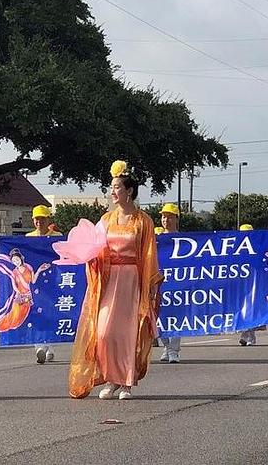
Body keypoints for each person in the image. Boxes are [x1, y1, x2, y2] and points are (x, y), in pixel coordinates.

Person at [69, 160, 162, 400]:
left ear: (129, 191)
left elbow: (149, 254)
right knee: (104, 331)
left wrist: (150, 285)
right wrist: (90, 259)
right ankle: (110, 378)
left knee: (127, 332)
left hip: (132, 280)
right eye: (111, 187)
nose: (112, 191)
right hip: (109, 280)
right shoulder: (106, 220)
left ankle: (126, 382)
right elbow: (97, 248)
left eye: (117, 187)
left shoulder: (143, 221)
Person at [26, 204, 60, 364]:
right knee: (37, 313)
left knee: (51, 314)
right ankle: (39, 347)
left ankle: (50, 347)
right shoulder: (28, 237)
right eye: (36, 219)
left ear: (48, 220)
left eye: (42, 219)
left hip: (53, 282)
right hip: (35, 283)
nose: (39, 222)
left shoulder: (57, 236)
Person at [157, 203, 182, 364]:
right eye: (164, 217)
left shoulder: (184, 240)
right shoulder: (156, 238)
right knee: (160, 318)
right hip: (160, 283)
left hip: (178, 284)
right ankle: (166, 346)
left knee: (177, 318)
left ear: (176, 219)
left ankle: (174, 351)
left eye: (170, 217)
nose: (166, 220)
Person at [236, 223, 267, 346]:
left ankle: (247, 336)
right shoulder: (236, 247)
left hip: (254, 281)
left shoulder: (257, 247)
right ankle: (248, 335)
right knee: (243, 308)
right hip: (241, 281)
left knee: (251, 307)